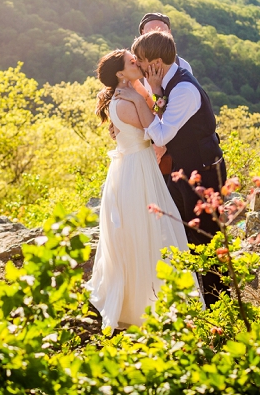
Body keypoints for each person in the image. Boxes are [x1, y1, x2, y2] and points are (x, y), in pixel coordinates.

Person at [118, 30, 226, 306]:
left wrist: (144, 105)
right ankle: (199, 296)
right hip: (183, 168)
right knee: (185, 233)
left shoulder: (184, 89)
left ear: (155, 63)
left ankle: (219, 303)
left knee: (207, 235)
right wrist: (153, 91)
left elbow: (162, 135)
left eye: (140, 61)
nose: (138, 66)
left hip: (203, 171)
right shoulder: (166, 83)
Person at [86, 49, 191, 330]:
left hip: (135, 167)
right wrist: (149, 93)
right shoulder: (127, 99)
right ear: (120, 74)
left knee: (147, 232)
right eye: (133, 62)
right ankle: (144, 304)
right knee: (146, 233)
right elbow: (157, 129)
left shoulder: (127, 95)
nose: (138, 63)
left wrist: (146, 92)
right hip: (137, 171)